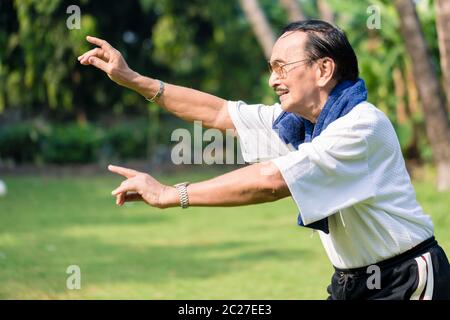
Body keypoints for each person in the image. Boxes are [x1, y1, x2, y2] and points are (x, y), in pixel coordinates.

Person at [77, 19, 450, 300]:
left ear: (323, 69)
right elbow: (220, 114)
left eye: (281, 67)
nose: (274, 79)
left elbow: (272, 182)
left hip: (406, 279)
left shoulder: (360, 126)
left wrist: (170, 194)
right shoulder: (299, 125)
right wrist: (135, 80)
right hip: (350, 280)